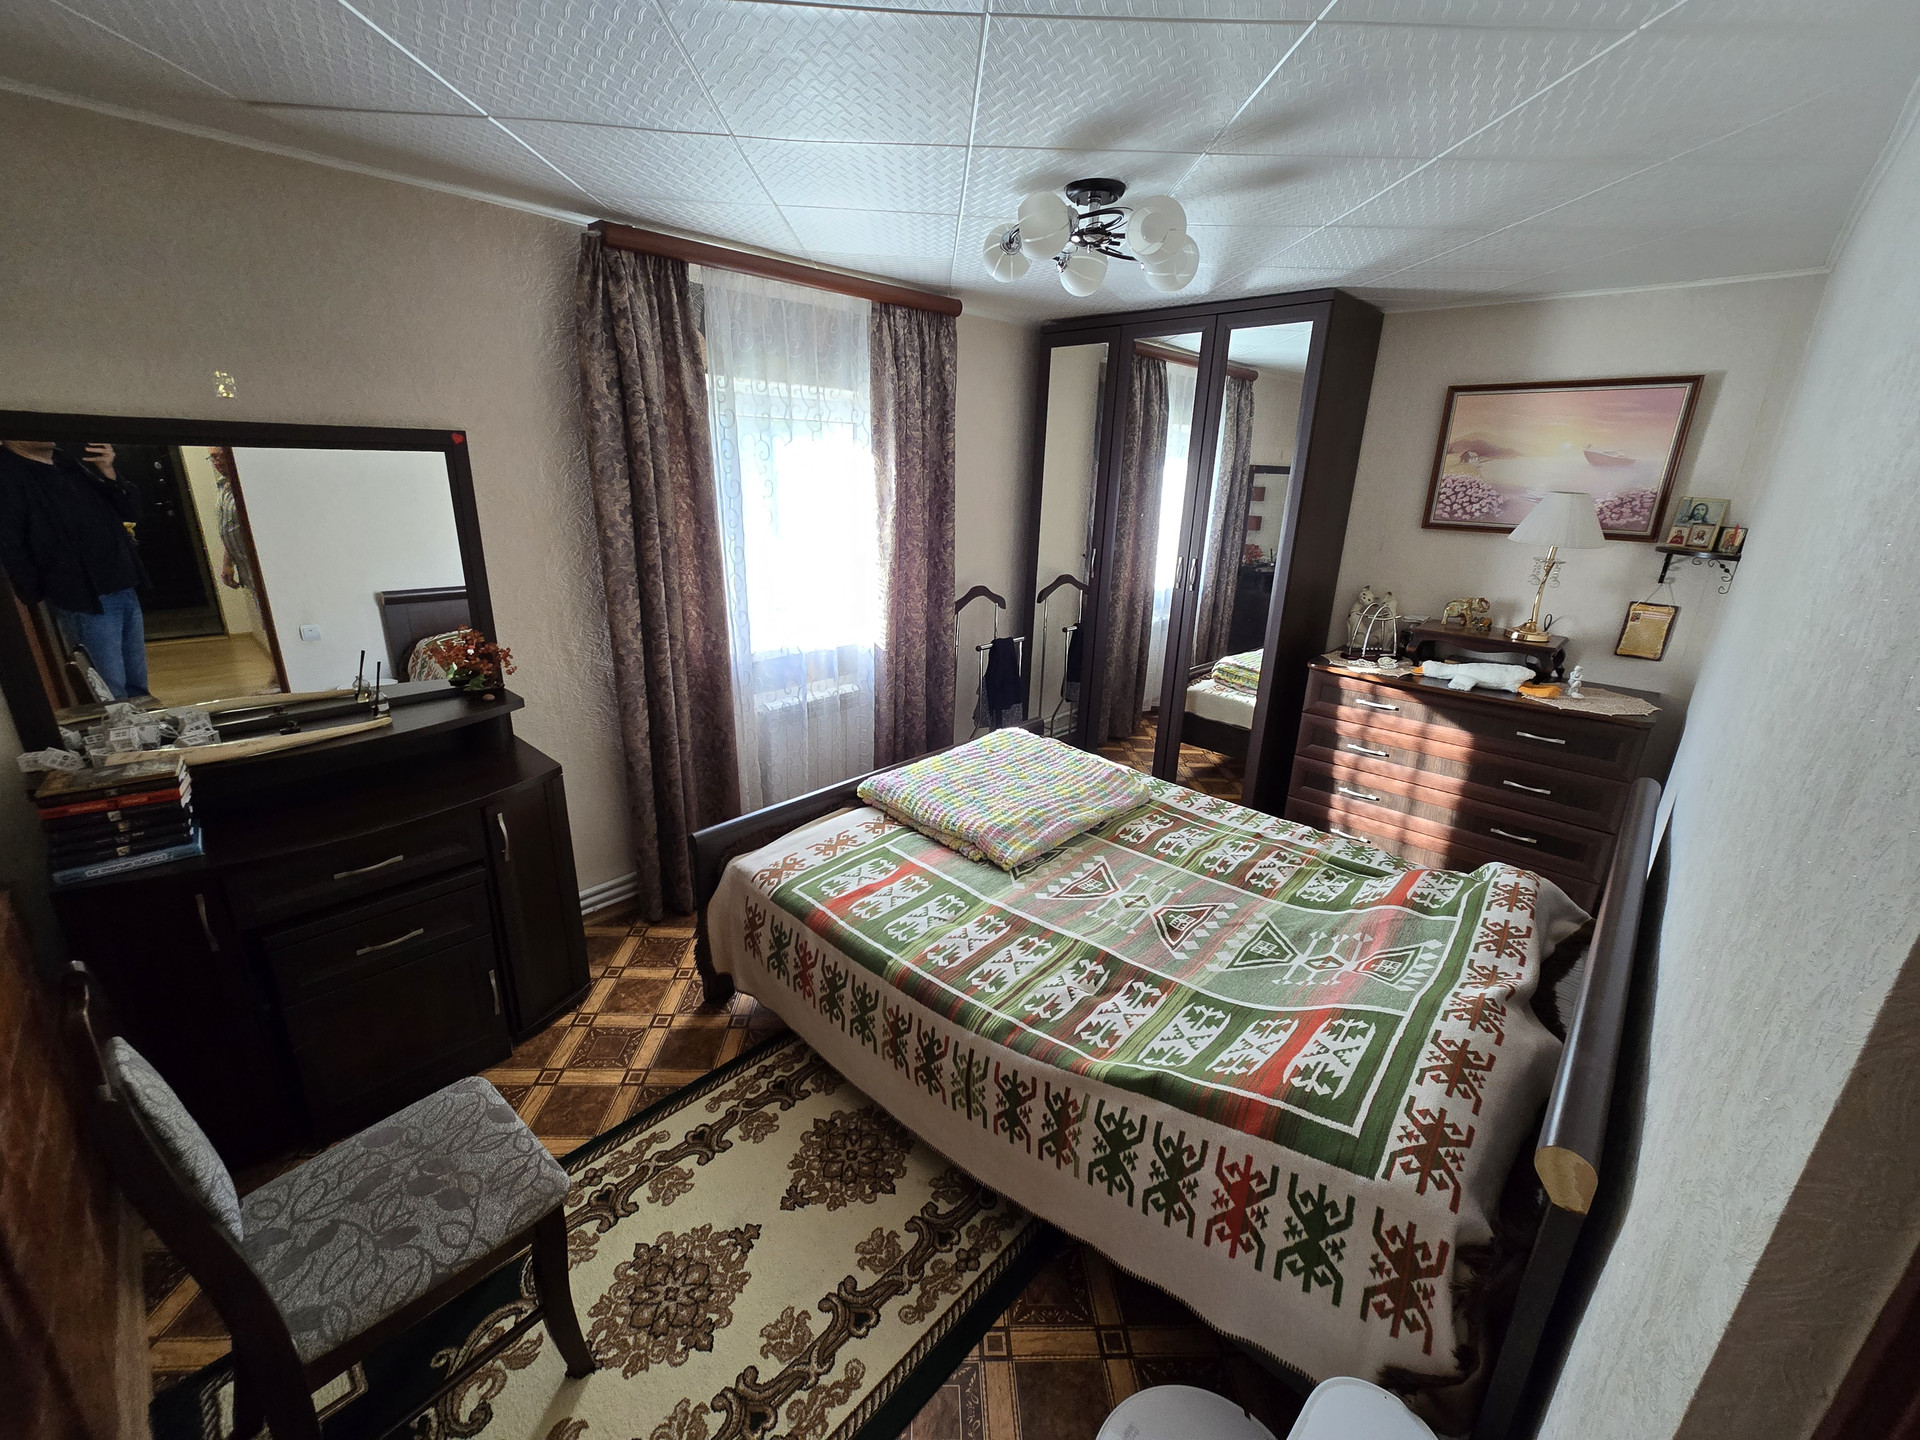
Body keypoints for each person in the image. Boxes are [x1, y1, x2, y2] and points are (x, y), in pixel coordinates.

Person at [0, 439, 150, 699]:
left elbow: (131, 511)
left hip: (123, 585)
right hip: (84, 599)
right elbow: (9, 544)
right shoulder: (7, 473)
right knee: (109, 693)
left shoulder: (69, 461)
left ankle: (146, 726)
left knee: (138, 687)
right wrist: (41, 593)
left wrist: (109, 472)